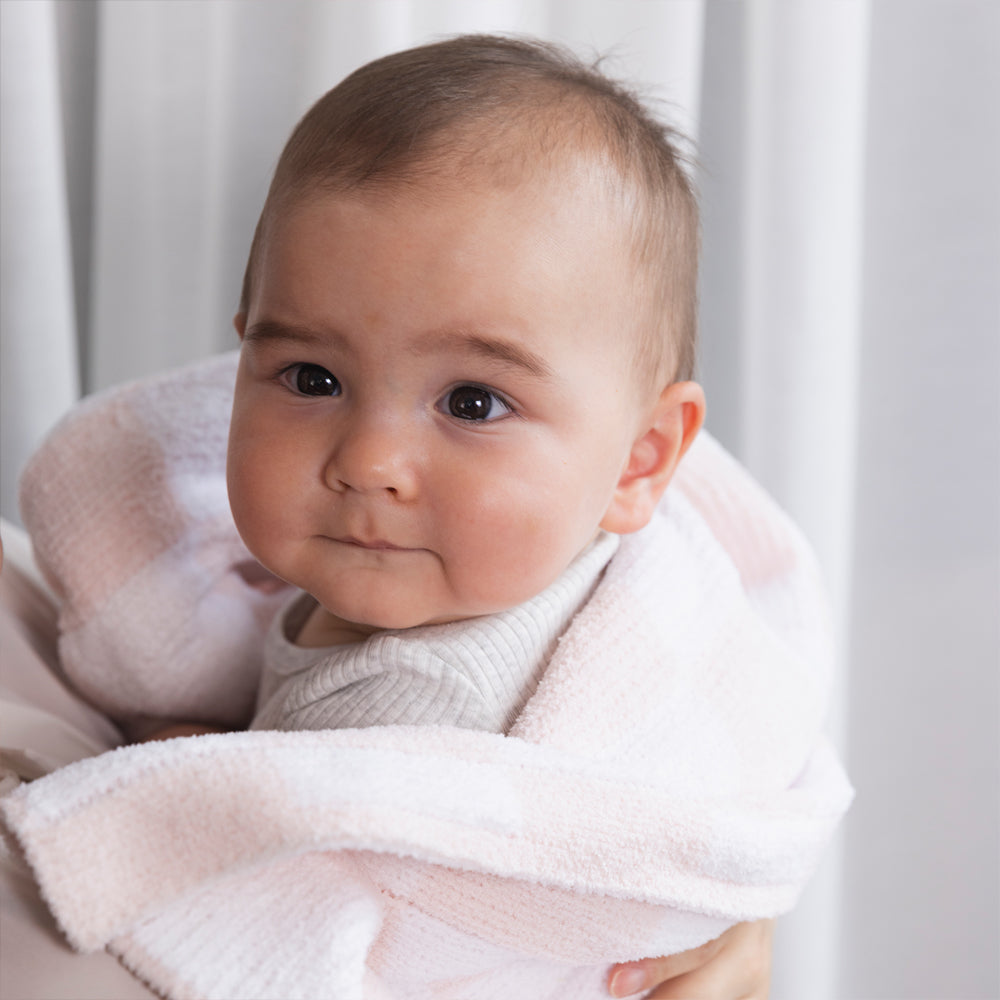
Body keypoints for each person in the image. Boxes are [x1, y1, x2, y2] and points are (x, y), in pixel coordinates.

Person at [218, 32, 773, 997]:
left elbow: (249, 905)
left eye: (472, 402)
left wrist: (172, 782)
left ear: (638, 463)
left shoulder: (433, 711)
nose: (369, 463)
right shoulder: (444, 572)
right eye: (313, 377)